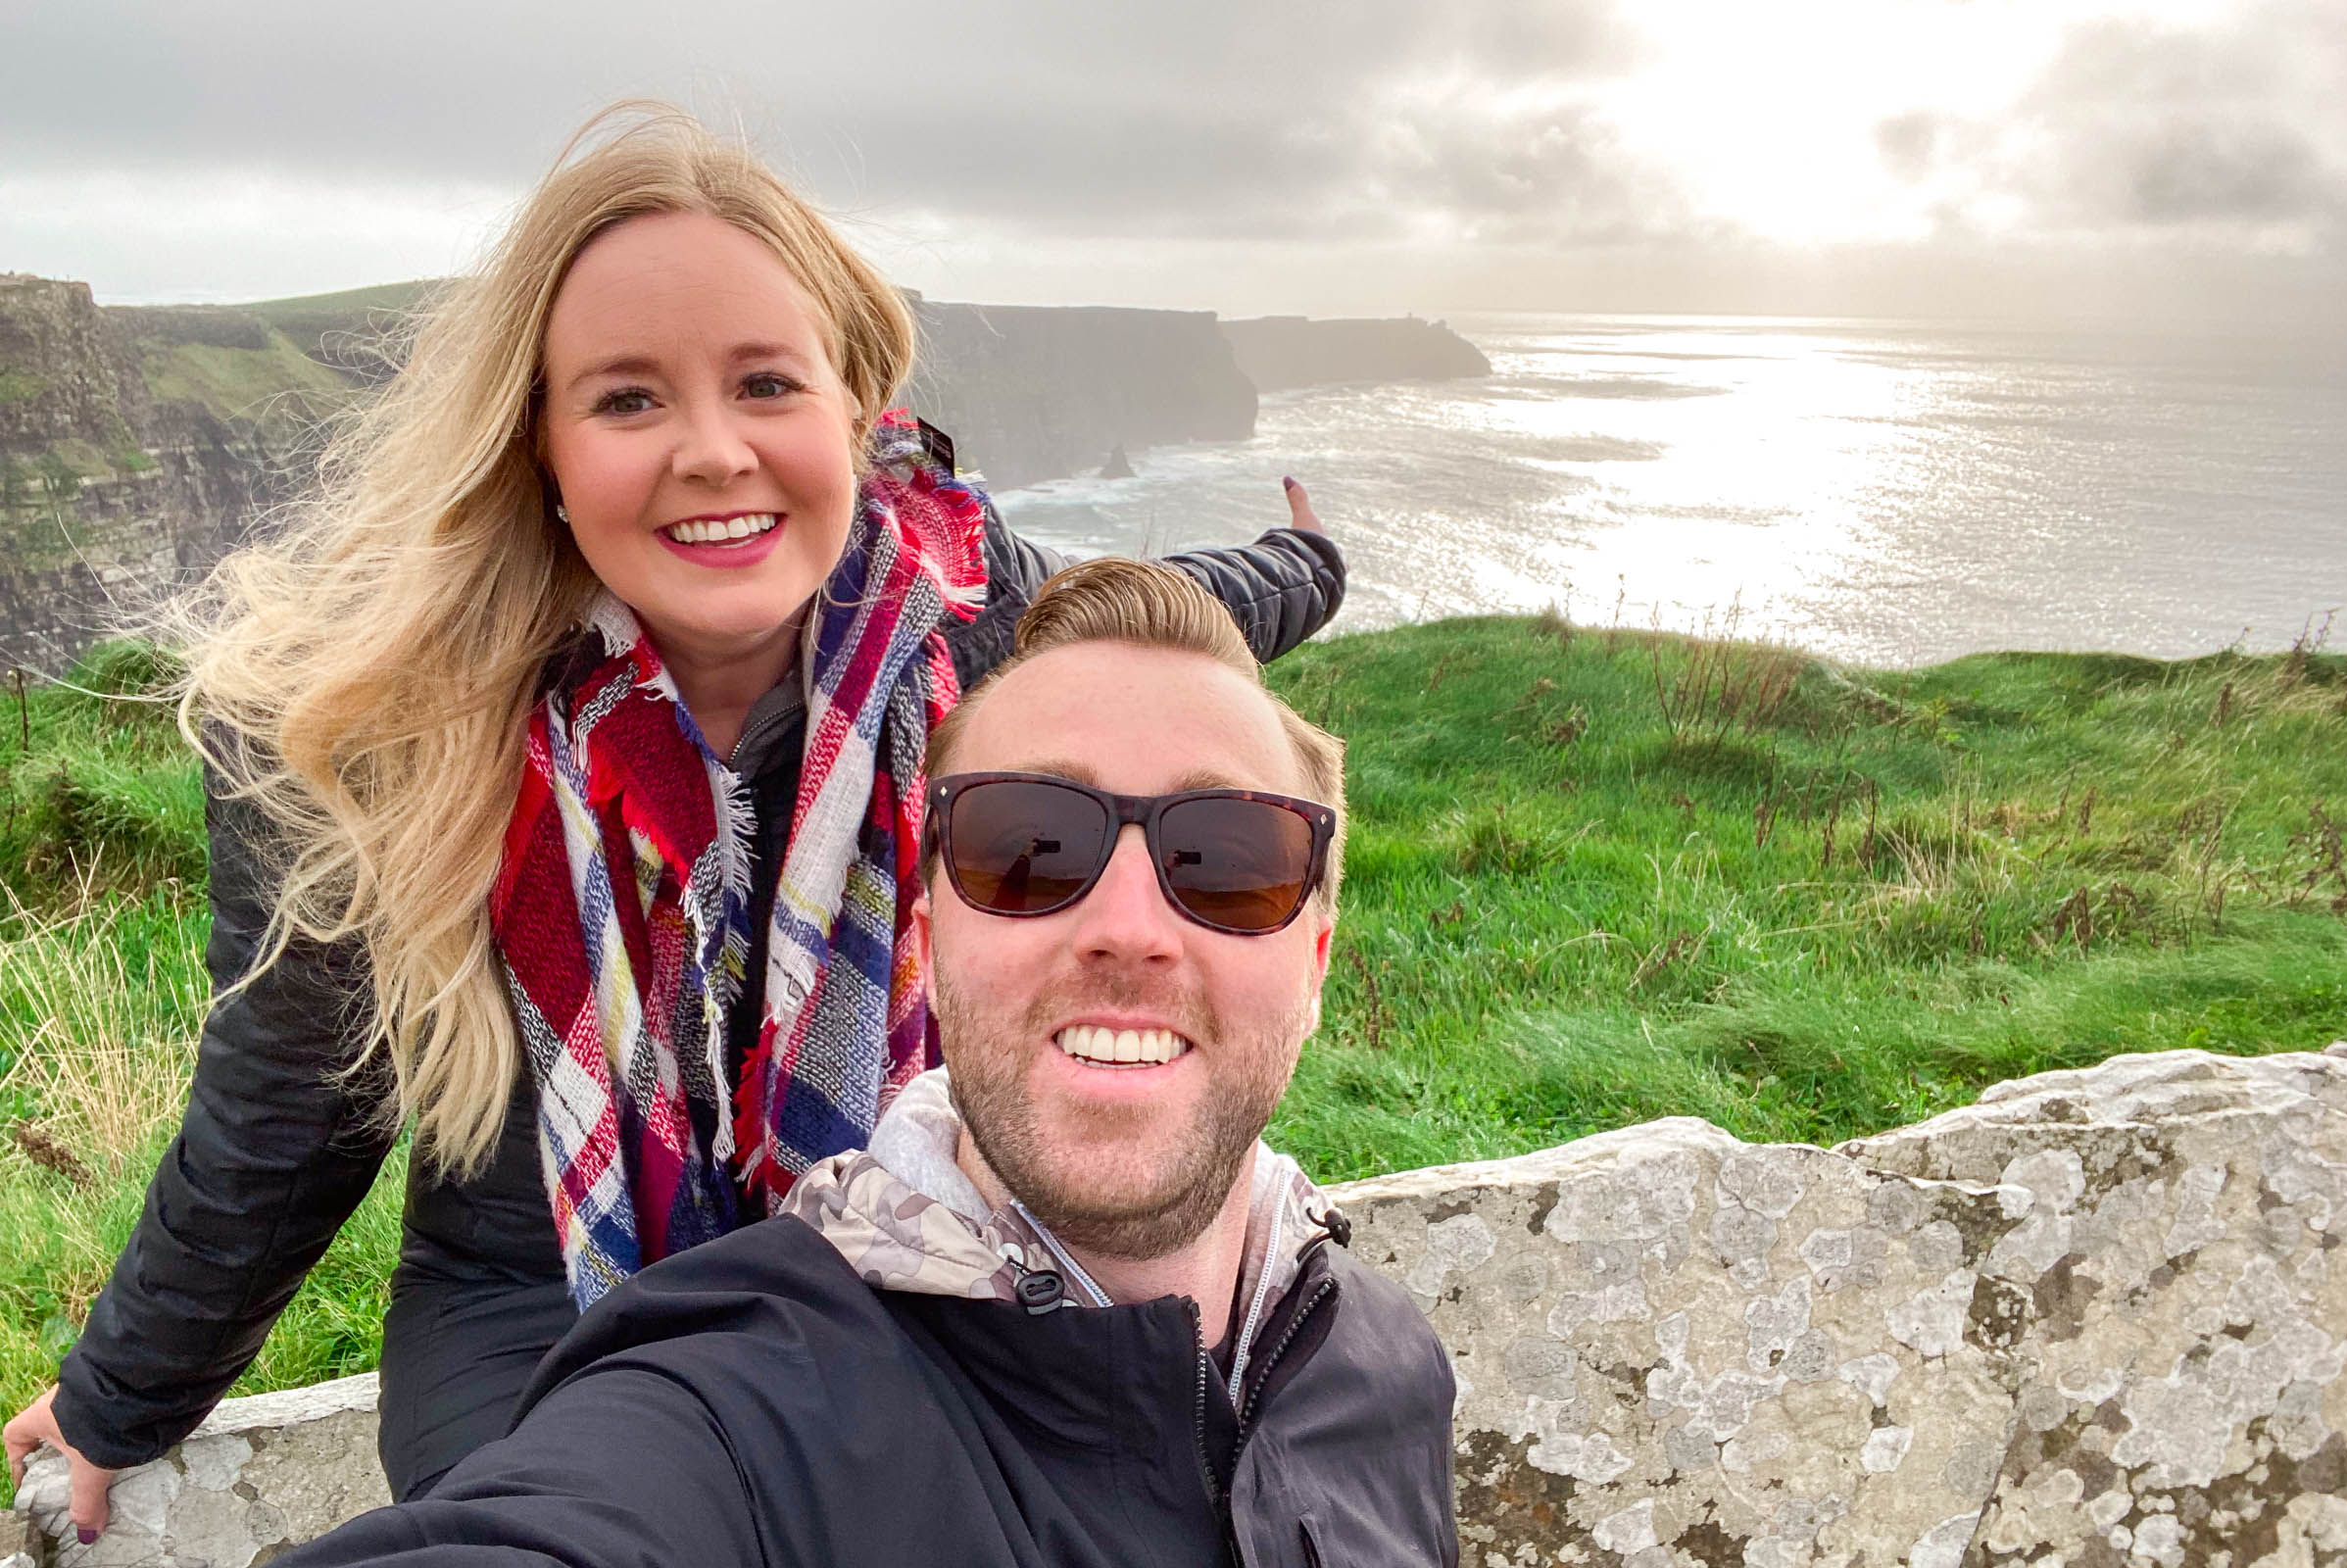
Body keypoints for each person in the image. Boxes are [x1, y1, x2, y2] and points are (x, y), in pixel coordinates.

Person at [4, 107, 1345, 1537]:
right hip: (543, 1306)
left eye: (766, 383)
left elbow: (1170, 607)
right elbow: (289, 1115)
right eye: (629, 400)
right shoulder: (386, 736)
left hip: (923, 1251)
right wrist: (118, 1400)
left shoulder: (962, 611)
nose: (713, 453)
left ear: (856, 409)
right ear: (542, 445)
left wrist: (1305, 562)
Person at [270, 556, 1458, 1568]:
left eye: (1229, 856)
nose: (1128, 925)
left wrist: (1309, 554)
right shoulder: (749, 1405)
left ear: (1315, 956)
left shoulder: (1379, 1363)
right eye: (1029, 847)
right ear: (932, 933)